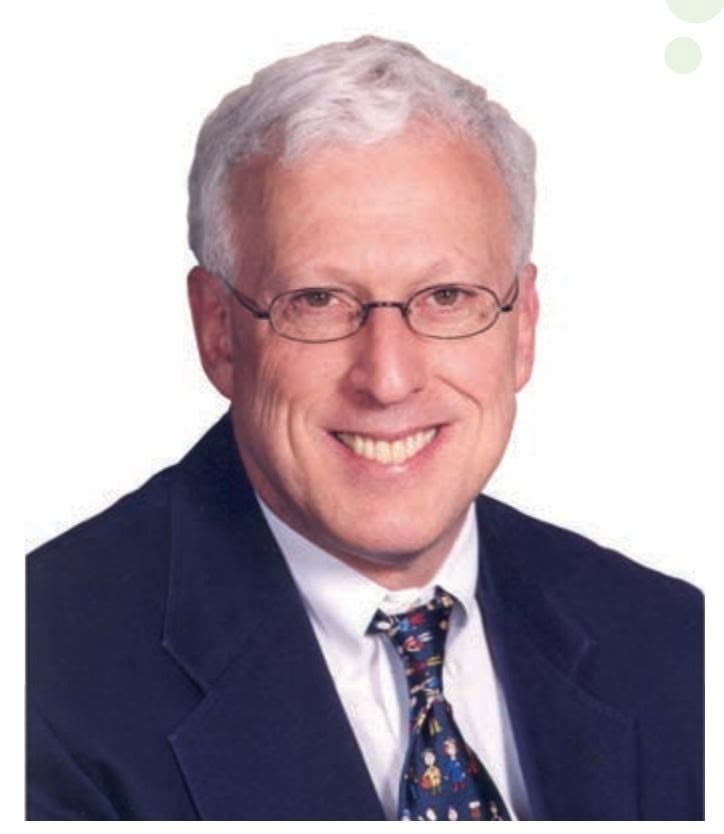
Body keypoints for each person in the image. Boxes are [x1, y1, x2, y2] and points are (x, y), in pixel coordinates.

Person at [26, 36, 703, 821]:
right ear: (218, 332)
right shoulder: (42, 678)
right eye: (318, 301)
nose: (387, 378)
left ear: (522, 328)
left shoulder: (677, 646)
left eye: (447, 296)